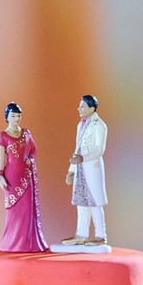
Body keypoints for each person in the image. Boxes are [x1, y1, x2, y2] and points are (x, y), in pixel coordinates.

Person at [0, 103, 48, 253]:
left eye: (18, 116)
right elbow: (1, 158)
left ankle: (28, 243)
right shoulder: (3, 136)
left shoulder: (26, 134)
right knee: (14, 212)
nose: (16, 118)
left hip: (26, 177)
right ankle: (11, 243)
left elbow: (33, 150)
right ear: (7, 117)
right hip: (11, 177)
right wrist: (0, 175)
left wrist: (29, 160)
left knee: (27, 210)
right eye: (13, 116)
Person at [62, 94, 108, 246]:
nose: (79, 109)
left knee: (94, 202)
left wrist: (83, 159)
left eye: (82, 106)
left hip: (92, 168)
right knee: (81, 202)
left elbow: (99, 150)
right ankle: (81, 234)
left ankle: (100, 235)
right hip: (80, 169)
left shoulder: (100, 125)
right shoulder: (80, 125)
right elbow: (78, 148)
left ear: (92, 108)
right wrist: (71, 170)